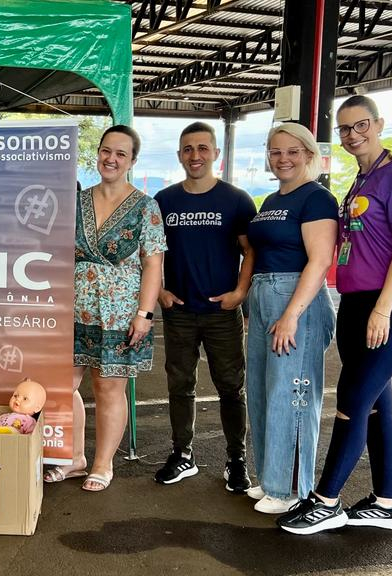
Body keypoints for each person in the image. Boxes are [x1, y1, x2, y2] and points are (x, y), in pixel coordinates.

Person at [278, 96, 392, 534]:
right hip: (356, 304)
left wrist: (383, 309)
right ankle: (387, 503)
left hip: (390, 304)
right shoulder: (361, 180)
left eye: (360, 125)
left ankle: (326, 501)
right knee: (377, 406)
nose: (352, 134)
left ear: (378, 124)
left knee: (353, 399)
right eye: (344, 128)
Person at [44, 125, 166, 492]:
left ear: (132, 160)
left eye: (120, 154)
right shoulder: (76, 201)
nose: (111, 159)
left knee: (108, 387)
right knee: (62, 386)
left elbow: (153, 264)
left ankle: (102, 464)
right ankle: (74, 458)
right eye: (106, 151)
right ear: (97, 153)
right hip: (72, 307)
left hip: (120, 312)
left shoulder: (146, 206)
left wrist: (144, 314)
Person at [153, 122, 256, 492]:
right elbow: (150, 253)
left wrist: (240, 292)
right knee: (180, 386)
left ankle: (236, 460)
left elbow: (250, 251)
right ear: (179, 155)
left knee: (231, 387)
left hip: (221, 314)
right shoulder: (164, 201)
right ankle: (182, 454)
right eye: (187, 149)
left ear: (216, 153)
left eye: (202, 148)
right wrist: (159, 291)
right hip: (179, 312)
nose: (195, 155)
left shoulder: (237, 200)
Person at [245, 122, 337, 514]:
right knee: (262, 392)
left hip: (296, 298)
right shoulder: (270, 200)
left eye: (292, 152)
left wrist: (291, 315)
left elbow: (320, 260)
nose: (283, 159)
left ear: (309, 155)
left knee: (291, 395)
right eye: (276, 152)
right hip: (264, 295)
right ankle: (271, 478)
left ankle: (290, 489)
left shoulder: (317, 198)